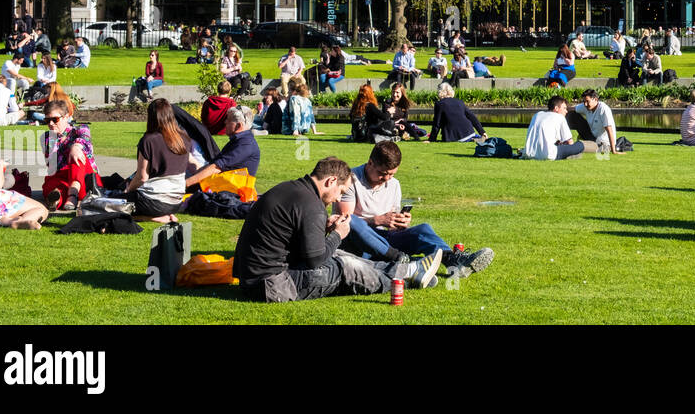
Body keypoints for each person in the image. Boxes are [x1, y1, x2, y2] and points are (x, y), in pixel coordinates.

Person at [233, 156, 443, 302]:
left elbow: (291, 238)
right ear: (331, 180)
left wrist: (324, 231)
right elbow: (315, 260)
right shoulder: (311, 205)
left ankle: (409, 270)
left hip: (255, 279)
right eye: (340, 191)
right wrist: (337, 234)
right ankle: (402, 281)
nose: (338, 198)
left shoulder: (293, 189)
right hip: (273, 285)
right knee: (345, 266)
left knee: (340, 254)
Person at [339, 140, 494, 277]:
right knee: (352, 222)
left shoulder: (394, 184)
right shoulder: (351, 181)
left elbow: (393, 229)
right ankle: (403, 260)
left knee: (423, 230)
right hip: (359, 242)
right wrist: (377, 220)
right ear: (370, 163)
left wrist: (400, 223)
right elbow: (343, 222)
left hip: (384, 240)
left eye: (391, 174)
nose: (386, 179)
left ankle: (453, 261)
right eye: (382, 174)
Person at [121, 99, 192, 222]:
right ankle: (163, 215)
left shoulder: (148, 140)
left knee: (113, 206)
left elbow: (142, 177)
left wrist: (128, 190)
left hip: (152, 200)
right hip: (176, 201)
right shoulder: (184, 138)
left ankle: (155, 218)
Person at [39, 99, 100, 211]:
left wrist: (75, 147)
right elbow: (52, 167)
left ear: (66, 116)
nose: (51, 124)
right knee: (51, 183)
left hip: (85, 180)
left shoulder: (81, 129)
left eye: (55, 119)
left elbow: (83, 139)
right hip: (63, 178)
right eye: (47, 120)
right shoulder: (46, 137)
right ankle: (56, 200)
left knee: (75, 154)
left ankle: (72, 195)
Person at [185, 105, 261, 188]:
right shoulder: (240, 140)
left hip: (230, 192)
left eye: (228, 120)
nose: (225, 122)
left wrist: (185, 184)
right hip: (222, 186)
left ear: (238, 126)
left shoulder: (245, 145)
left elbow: (216, 168)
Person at [524, 94, 594, 160]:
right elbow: (570, 142)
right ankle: (596, 146)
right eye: (564, 108)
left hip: (529, 153)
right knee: (579, 145)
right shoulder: (559, 117)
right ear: (556, 108)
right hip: (549, 154)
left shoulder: (537, 115)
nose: (566, 111)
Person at [566, 89, 617, 154]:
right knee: (571, 114)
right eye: (584, 102)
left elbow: (610, 130)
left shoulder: (603, 109)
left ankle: (569, 146)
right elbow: (570, 109)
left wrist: (614, 151)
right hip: (592, 137)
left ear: (595, 99)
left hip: (604, 144)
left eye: (587, 101)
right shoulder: (586, 106)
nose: (585, 104)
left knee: (579, 146)